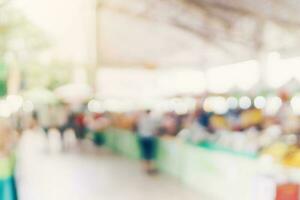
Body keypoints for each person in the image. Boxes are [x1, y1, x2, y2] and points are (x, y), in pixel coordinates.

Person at [137, 110, 159, 174]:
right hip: (149, 137)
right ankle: (150, 168)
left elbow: (139, 128)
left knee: (144, 152)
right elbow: (154, 129)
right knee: (150, 153)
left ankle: (145, 167)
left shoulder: (141, 119)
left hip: (142, 137)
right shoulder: (151, 119)